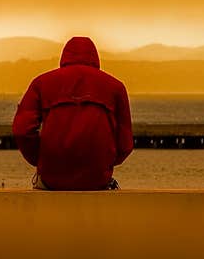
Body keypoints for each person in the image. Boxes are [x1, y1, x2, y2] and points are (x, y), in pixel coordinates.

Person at [12, 36, 133, 190]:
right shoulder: (116, 87)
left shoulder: (41, 83)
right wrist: (105, 162)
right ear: (95, 57)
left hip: (52, 178)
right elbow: (125, 144)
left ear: (64, 56)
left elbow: (22, 130)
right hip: (97, 179)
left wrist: (41, 160)